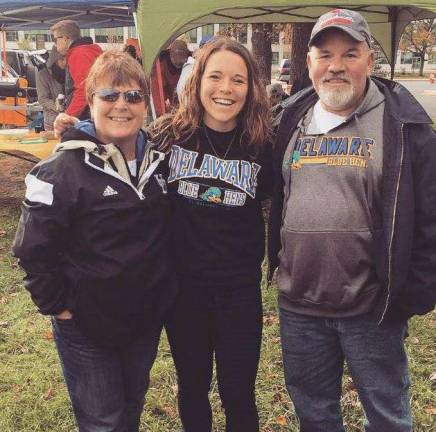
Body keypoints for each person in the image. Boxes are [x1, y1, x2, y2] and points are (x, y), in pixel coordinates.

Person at [268, 9, 436, 432]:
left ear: (369, 61)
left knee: (387, 416)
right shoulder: (289, 120)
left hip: (371, 308)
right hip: (299, 306)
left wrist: (415, 290)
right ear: (309, 64)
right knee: (316, 414)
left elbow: (431, 214)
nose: (336, 65)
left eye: (350, 53)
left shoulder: (405, 123)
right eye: (324, 54)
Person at [13, 50, 176, 432]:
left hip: (143, 319)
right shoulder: (61, 169)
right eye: (110, 95)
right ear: (91, 101)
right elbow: (31, 249)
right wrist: (61, 306)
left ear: (144, 103)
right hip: (86, 325)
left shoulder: (159, 164)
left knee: (131, 410)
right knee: (102, 421)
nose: (122, 105)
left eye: (133, 96)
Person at [149, 37, 272, 432]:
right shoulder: (168, 136)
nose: (225, 89)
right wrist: (76, 127)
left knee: (239, 392)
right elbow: (116, 142)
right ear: (197, 80)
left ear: (251, 87)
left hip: (238, 292)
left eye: (238, 80)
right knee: (193, 387)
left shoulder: (263, 143)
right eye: (215, 76)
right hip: (184, 290)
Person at [50, 19, 102, 120]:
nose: (55, 43)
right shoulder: (87, 50)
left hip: (86, 118)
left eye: (55, 39)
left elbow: (84, 90)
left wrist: (67, 117)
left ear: (65, 38)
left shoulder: (79, 54)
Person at [150, 39, 190, 116]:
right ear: (170, 54)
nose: (178, 66)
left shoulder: (190, 63)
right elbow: (157, 94)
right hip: (163, 95)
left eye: (181, 63)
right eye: (176, 63)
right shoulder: (159, 66)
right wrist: (163, 116)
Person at [35, 46, 66, 131]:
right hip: (52, 121)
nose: (65, 62)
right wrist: (56, 106)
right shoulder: (43, 74)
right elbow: (42, 99)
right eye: (61, 59)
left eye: (67, 59)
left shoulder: (70, 71)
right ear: (54, 60)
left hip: (69, 118)